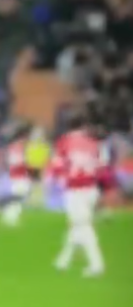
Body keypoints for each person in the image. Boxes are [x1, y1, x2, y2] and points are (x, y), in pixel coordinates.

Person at [50, 114, 105, 277]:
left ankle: (97, 265)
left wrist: (57, 182)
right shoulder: (93, 143)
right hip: (91, 188)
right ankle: (63, 260)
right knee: (77, 225)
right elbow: (101, 166)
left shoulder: (64, 142)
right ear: (84, 125)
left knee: (83, 226)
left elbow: (57, 166)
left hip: (75, 190)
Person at [2, 126, 31, 226]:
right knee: (18, 198)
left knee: (18, 197)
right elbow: (17, 162)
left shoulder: (13, 147)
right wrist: (26, 164)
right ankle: (11, 218)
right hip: (19, 176)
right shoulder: (18, 147)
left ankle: (10, 217)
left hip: (16, 175)